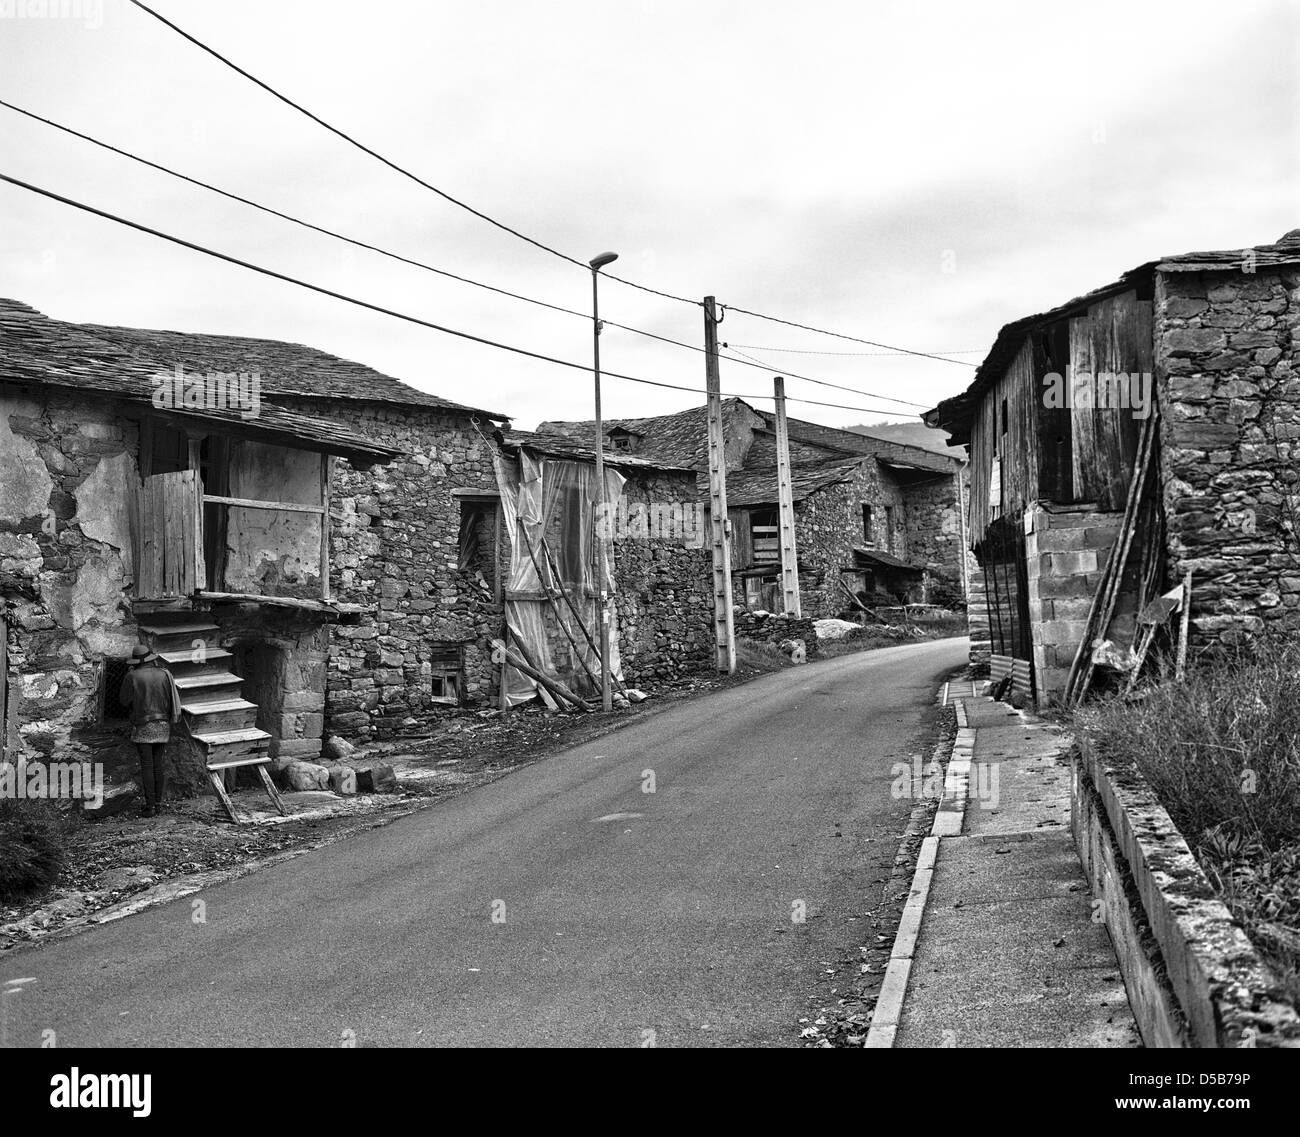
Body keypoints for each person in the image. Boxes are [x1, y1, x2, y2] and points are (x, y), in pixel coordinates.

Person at [118, 644, 182, 817]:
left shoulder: (132, 675)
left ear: (136, 661)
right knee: (157, 765)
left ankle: (150, 806)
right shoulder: (164, 674)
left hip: (143, 725)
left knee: (147, 765)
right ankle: (159, 804)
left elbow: (123, 701)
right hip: (163, 724)